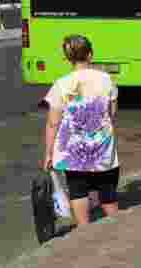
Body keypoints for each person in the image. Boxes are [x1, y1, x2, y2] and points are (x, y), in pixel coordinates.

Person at [41, 35, 120, 225]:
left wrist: (49, 153)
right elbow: (112, 114)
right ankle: (119, 230)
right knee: (108, 194)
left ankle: (84, 235)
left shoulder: (61, 84)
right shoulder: (106, 79)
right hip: (103, 149)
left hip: (73, 151)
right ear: (90, 55)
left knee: (78, 192)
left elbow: (53, 123)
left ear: (68, 58)